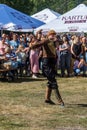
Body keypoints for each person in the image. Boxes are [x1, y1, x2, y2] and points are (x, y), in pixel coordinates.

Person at [30, 30, 64, 106]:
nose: (53, 36)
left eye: (54, 35)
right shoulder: (45, 40)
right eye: (51, 35)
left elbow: (62, 42)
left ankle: (47, 99)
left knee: (50, 81)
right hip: (46, 62)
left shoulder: (55, 41)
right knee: (53, 81)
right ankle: (60, 101)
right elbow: (36, 45)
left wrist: (57, 40)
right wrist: (31, 46)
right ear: (48, 35)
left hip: (52, 62)